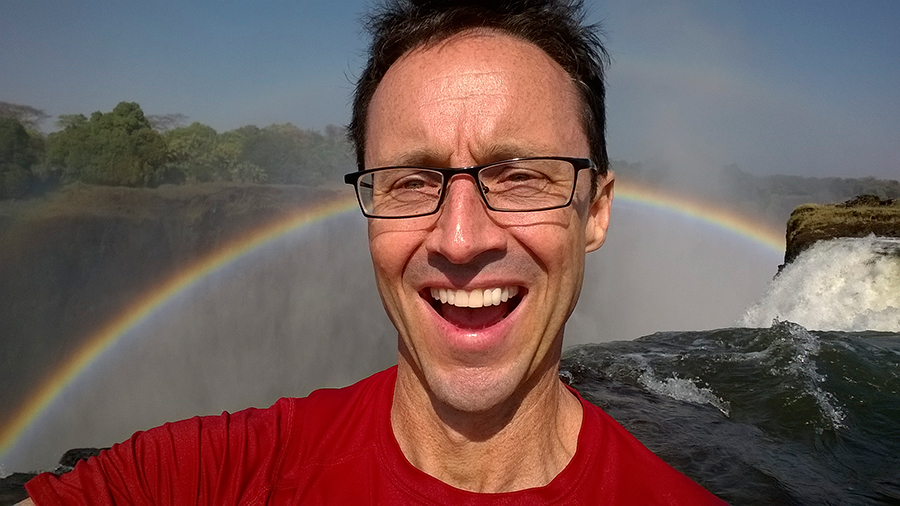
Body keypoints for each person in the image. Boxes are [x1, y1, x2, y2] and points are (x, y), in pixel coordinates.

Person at [22, 0, 725, 504]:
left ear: (595, 211)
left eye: (518, 176)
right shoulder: (222, 475)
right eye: (411, 181)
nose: (460, 238)